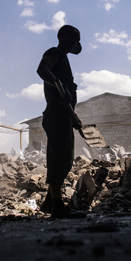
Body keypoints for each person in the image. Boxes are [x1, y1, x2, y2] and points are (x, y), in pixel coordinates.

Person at [36, 25, 86, 218]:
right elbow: (42, 69)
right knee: (58, 159)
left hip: (64, 115)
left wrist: (73, 115)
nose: (77, 44)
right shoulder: (55, 52)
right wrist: (58, 84)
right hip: (56, 115)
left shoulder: (64, 59)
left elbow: (66, 96)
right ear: (64, 37)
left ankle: (49, 202)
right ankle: (57, 207)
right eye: (75, 38)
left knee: (64, 159)